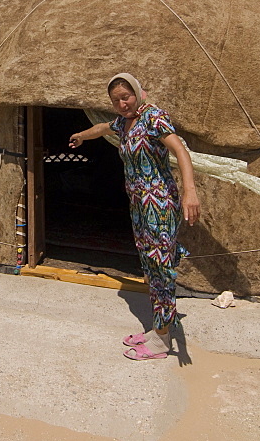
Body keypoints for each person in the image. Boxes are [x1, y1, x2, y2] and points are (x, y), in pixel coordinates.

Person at [69, 73, 200, 360]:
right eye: (116, 100)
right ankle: (159, 329)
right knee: (150, 267)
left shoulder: (153, 117)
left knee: (161, 268)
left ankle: (163, 343)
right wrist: (82, 136)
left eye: (126, 97)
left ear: (138, 93)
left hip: (159, 205)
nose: (122, 104)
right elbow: (104, 127)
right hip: (139, 207)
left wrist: (190, 192)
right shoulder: (124, 122)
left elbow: (180, 150)